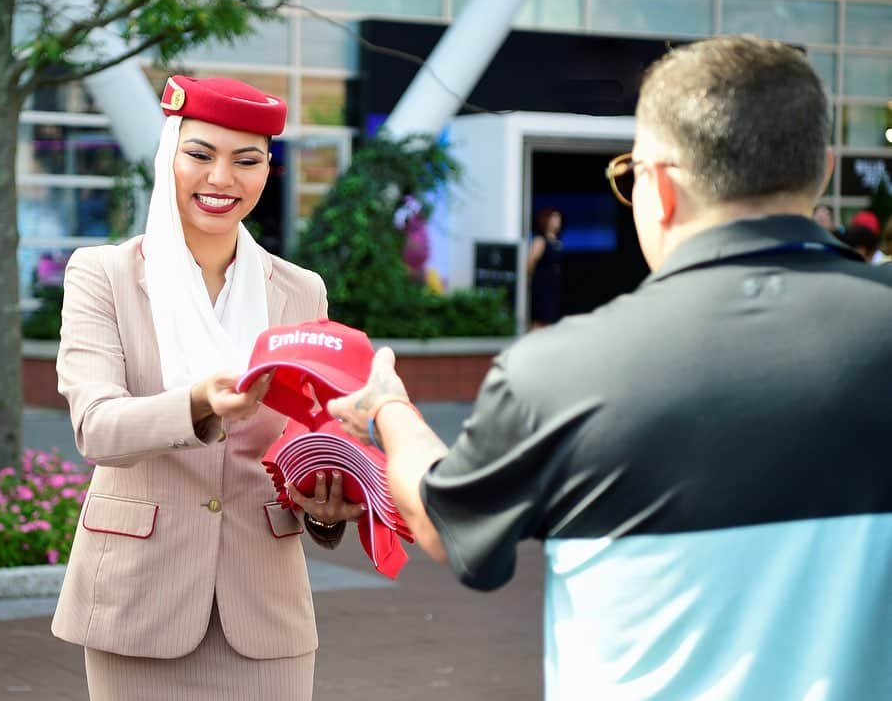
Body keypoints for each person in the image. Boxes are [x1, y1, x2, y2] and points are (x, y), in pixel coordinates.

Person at [328, 35, 892, 700]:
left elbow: (439, 521)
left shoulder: (562, 371)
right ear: (822, 170)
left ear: (658, 184)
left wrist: (389, 406)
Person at [51, 76, 363, 700]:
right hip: (138, 602)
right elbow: (98, 428)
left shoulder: (301, 290)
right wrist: (198, 403)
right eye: (200, 154)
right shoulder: (103, 275)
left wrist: (328, 503)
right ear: (170, 156)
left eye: (246, 161)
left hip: (264, 608)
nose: (222, 178)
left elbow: (311, 439)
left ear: (267, 171)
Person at [526, 207, 564, 329]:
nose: (557, 221)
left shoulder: (557, 242)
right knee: (541, 319)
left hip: (554, 287)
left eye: (559, 218)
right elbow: (530, 263)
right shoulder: (540, 241)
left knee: (552, 319)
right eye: (554, 218)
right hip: (542, 287)